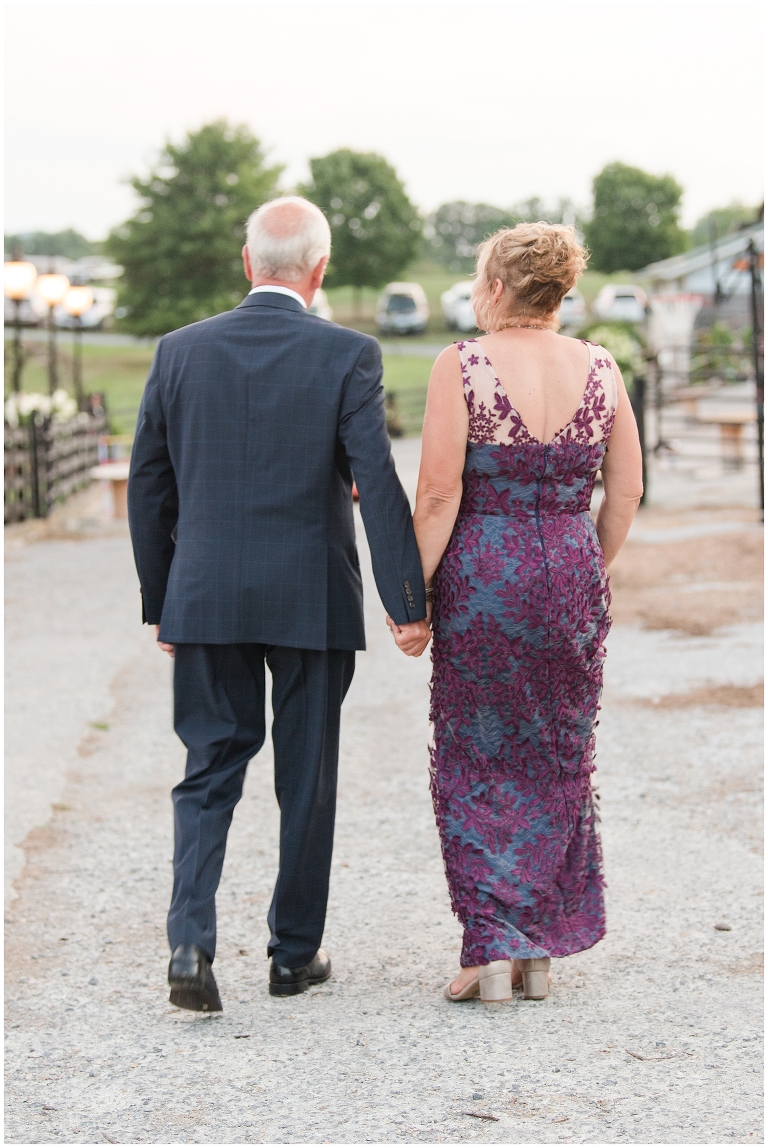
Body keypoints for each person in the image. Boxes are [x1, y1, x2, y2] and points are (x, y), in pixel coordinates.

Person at [128, 196, 431, 1011]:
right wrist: (407, 600)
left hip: (207, 595)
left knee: (208, 769)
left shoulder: (178, 352)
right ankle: (292, 957)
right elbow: (377, 484)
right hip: (311, 598)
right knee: (308, 777)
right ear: (320, 270)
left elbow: (149, 485)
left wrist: (162, 600)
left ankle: (190, 944)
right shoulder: (349, 355)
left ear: (247, 261)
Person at [406, 222, 643, 1004]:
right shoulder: (602, 366)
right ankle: (536, 952)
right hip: (570, 570)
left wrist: (415, 597)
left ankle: (487, 946)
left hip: (486, 577)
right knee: (557, 755)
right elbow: (626, 491)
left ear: (497, 287)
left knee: (478, 756)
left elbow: (439, 494)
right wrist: (587, 570)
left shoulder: (463, 364)